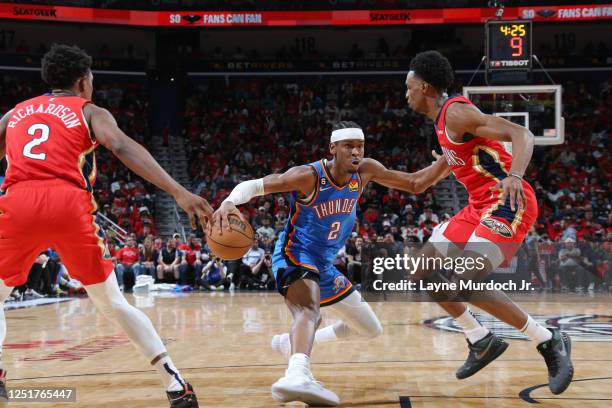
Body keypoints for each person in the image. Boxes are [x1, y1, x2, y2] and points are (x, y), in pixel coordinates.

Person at [0, 44, 212, 407]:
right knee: (112, 303)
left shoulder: (15, 114)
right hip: (67, 202)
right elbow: (121, 146)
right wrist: (178, 191)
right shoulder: (89, 110)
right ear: (84, 81)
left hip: (16, 201)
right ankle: (175, 385)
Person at [214, 121, 449, 406]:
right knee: (309, 310)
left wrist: (450, 159)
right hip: (294, 255)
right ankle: (296, 374)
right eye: (349, 146)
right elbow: (258, 185)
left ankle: (291, 343)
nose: (356, 152)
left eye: (360, 146)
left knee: (370, 328)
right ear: (332, 149)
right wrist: (229, 201)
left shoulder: (365, 171)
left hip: (324, 265)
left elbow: (415, 183)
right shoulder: (308, 176)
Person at [404, 50, 573, 394]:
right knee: (421, 267)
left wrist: (515, 175)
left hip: (507, 200)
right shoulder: (442, 125)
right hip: (478, 205)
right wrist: (366, 172)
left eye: (408, 87)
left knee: (464, 278)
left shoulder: (457, 112)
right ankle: (479, 338)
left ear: (423, 87)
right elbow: (417, 184)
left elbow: (522, 134)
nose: (405, 94)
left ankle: (547, 339)